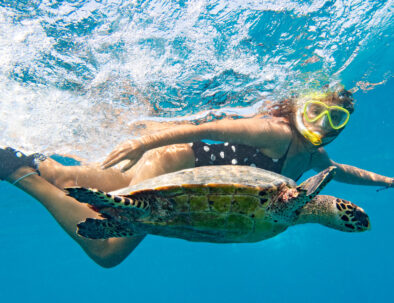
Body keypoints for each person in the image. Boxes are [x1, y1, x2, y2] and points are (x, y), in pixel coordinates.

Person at [0, 88, 392, 268]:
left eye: (336, 119)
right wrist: (146, 141)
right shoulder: (275, 132)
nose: (322, 124)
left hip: (185, 174)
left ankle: (25, 155)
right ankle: (16, 172)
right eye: (315, 111)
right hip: (171, 165)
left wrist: (389, 182)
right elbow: (216, 129)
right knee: (109, 249)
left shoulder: (315, 157)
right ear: (298, 108)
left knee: (64, 176)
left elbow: (342, 172)